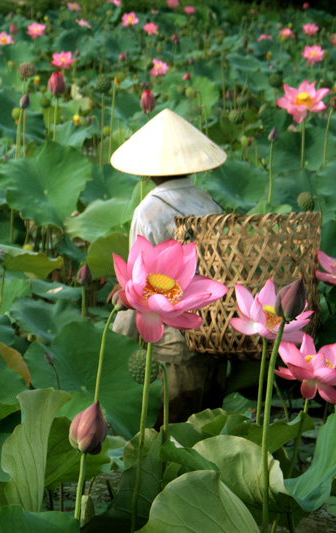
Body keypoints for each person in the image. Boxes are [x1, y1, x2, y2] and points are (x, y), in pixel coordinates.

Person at [109, 108, 228, 424]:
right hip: (214, 335)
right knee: (206, 437)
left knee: (170, 441)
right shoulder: (208, 202)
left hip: (171, 345)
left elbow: (137, 280)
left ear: (147, 171)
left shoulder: (148, 211)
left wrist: (118, 337)